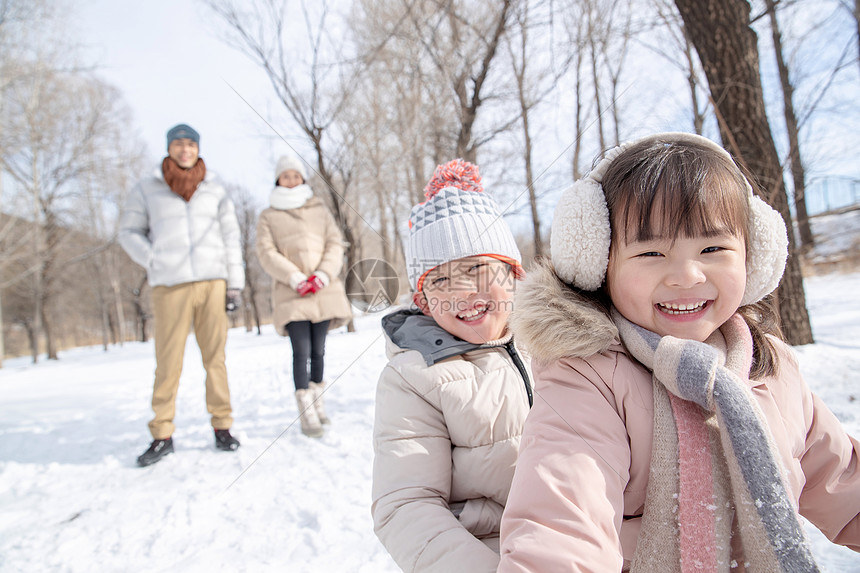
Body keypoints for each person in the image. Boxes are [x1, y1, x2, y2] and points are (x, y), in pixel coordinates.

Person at [498, 132, 860, 571]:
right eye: (651, 252)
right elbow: (562, 524)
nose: (686, 276)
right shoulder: (588, 377)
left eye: (712, 249)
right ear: (600, 264)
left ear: (753, 255)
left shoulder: (771, 367)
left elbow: (842, 483)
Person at [372, 159, 534, 572]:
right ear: (424, 301)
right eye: (439, 281)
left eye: (476, 268)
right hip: (493, 549)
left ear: (512, 272)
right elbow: (406, 504)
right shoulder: (413, 378)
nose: (461, 292)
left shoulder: (562, 341)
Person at [119, 123, 245, 467]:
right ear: (169, 148)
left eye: (191, 144)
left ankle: (222, 427)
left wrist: (234, 284)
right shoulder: (148, 188)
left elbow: (231, 237)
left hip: (212, 281)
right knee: (168, 360)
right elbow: (128, 232)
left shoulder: (215, 188)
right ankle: (162, 433)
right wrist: (154, 259)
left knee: (215, 359)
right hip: (170, 284)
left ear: (198, 148)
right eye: (179, 144)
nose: (185, 150)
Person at [255, 155, 352, 438]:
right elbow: (266, 251)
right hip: (292, 292)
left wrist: (323, 273)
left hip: (323, 289)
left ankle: (318, 401)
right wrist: (294, 277)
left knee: (319, 351)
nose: (291, 179)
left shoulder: (319, 208)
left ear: (302, 178)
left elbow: (335, 242)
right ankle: (305, 409)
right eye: (285, 175)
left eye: (295, 175)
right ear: (278, 180)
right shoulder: (268, 215)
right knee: (302, 351)